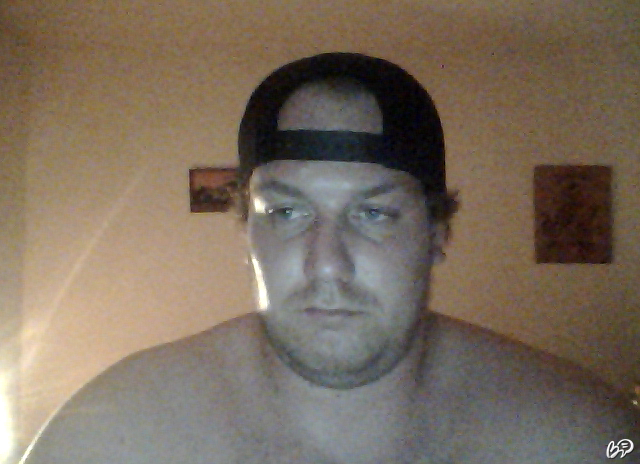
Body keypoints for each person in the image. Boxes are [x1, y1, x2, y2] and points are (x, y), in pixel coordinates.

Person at [21, 52, 639, 463]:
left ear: (438, 233)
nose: (326, 264)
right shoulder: (111, 437)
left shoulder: (584, 437)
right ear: (246, 233)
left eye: (374, 214)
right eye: (287, 213)